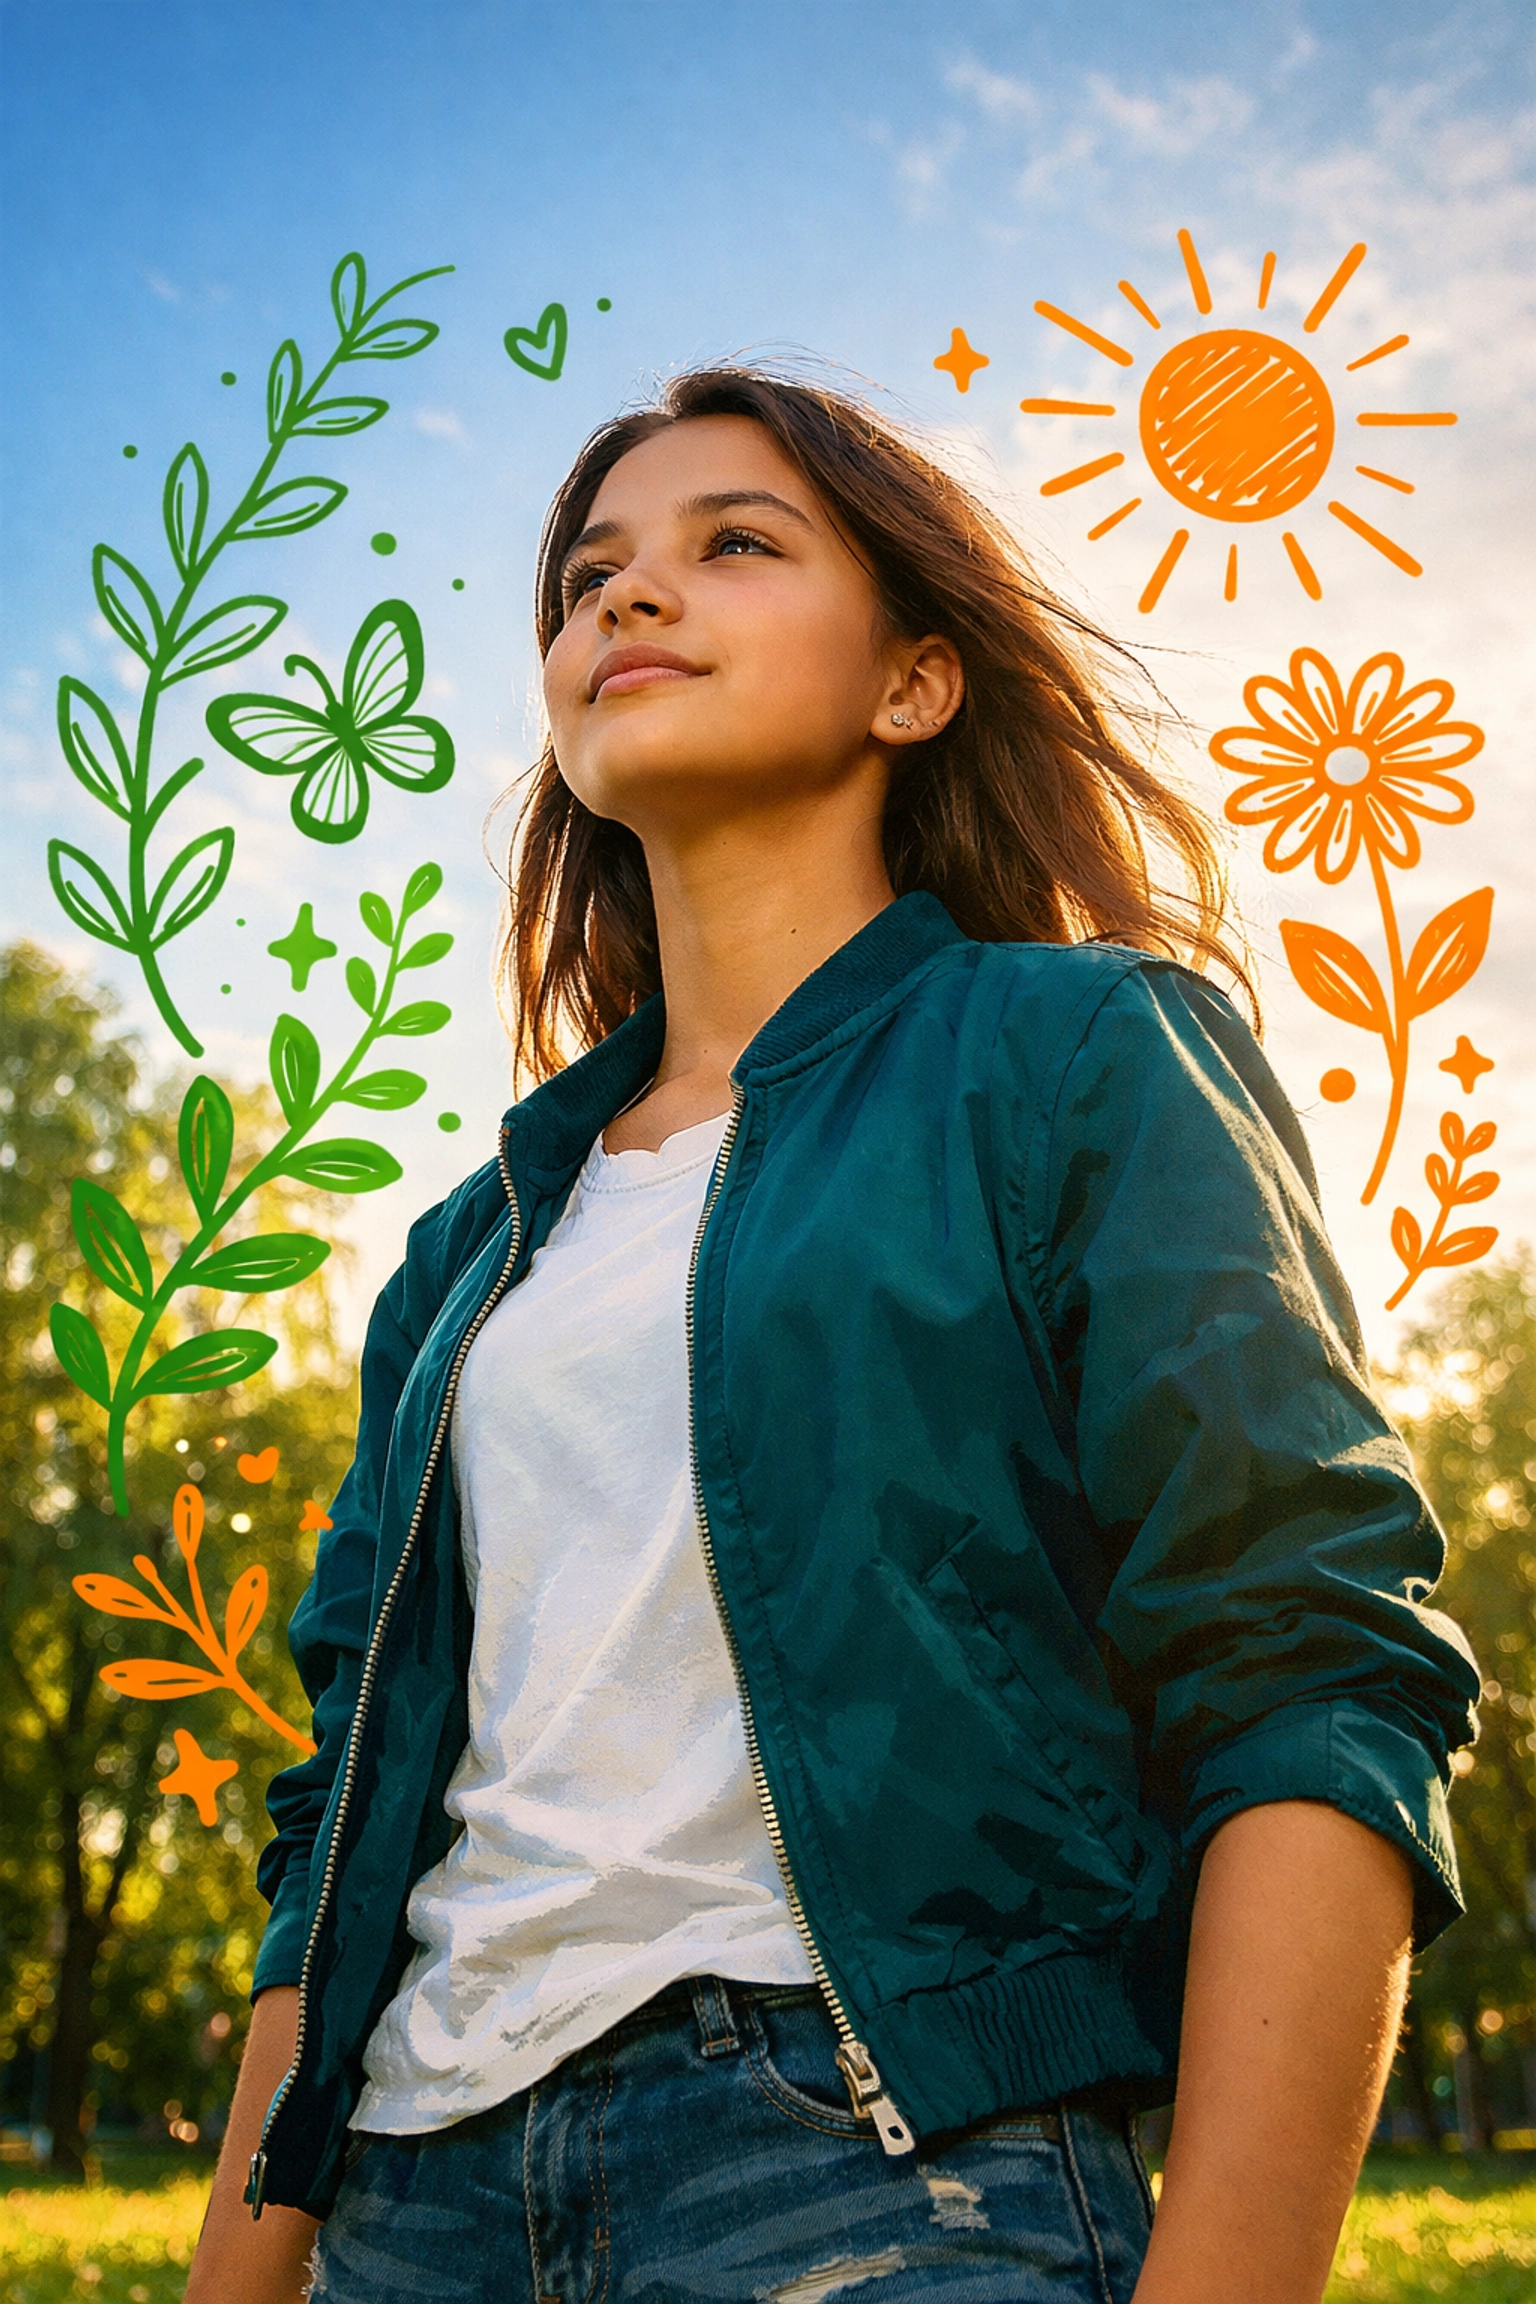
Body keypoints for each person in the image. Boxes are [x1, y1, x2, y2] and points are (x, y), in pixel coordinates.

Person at [185, 367, 1479, 2304]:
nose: (626, 598)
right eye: (589, 574)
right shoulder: (468, 1251)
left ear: (914, 684)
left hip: (880, 2175)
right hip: (410, 2190)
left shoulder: (1075, 1058)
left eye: (734, 544)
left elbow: (1306, 1672)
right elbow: (340, 1830)